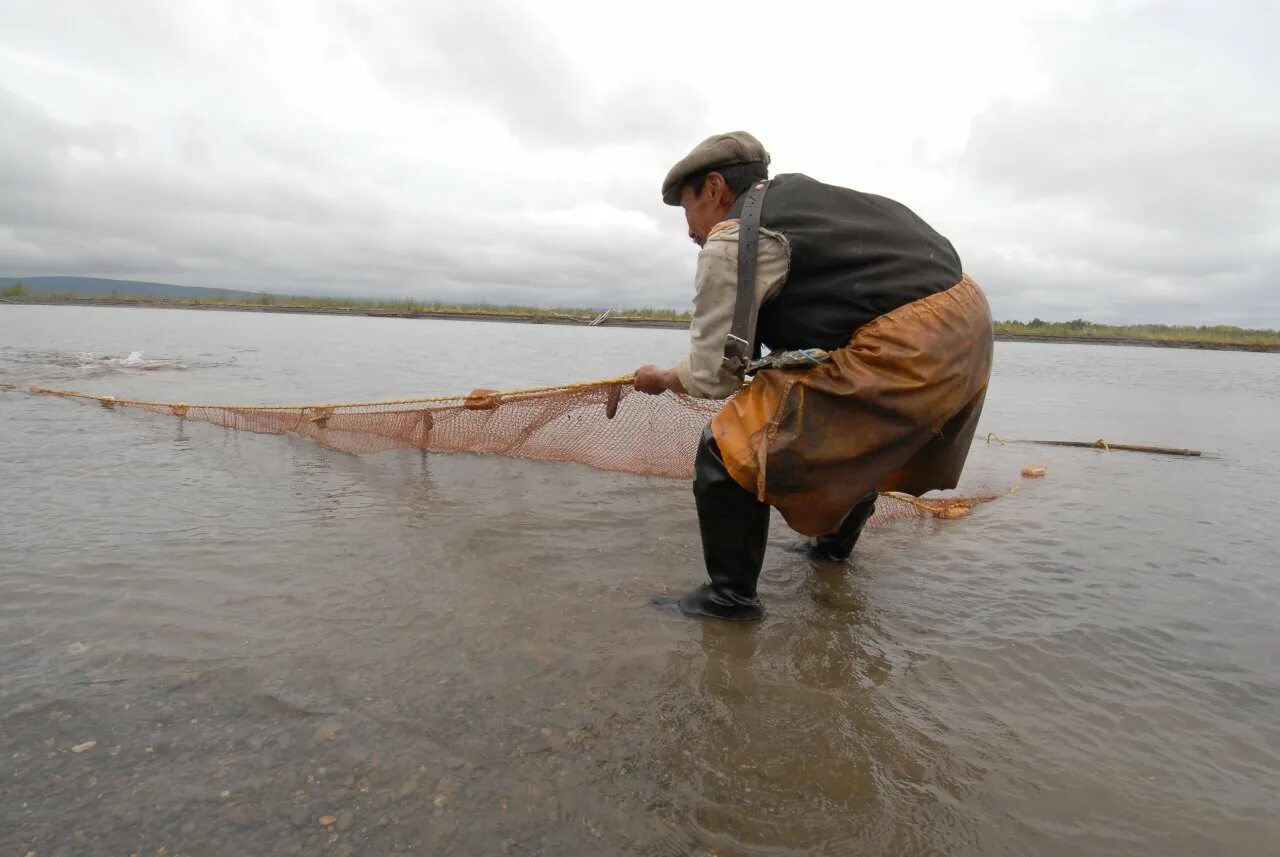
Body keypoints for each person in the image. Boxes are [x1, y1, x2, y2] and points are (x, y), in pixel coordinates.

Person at [634, 131, 994, 621]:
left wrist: (663, 378)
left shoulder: (732, 238)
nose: (690, 229)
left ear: (715, 187)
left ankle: (729, 600)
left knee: (726, 446)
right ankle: (831, 555)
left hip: (913, 343)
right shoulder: (810, 203)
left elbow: (716, 376)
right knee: (859, 436)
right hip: (968, 327)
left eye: (687, 208)